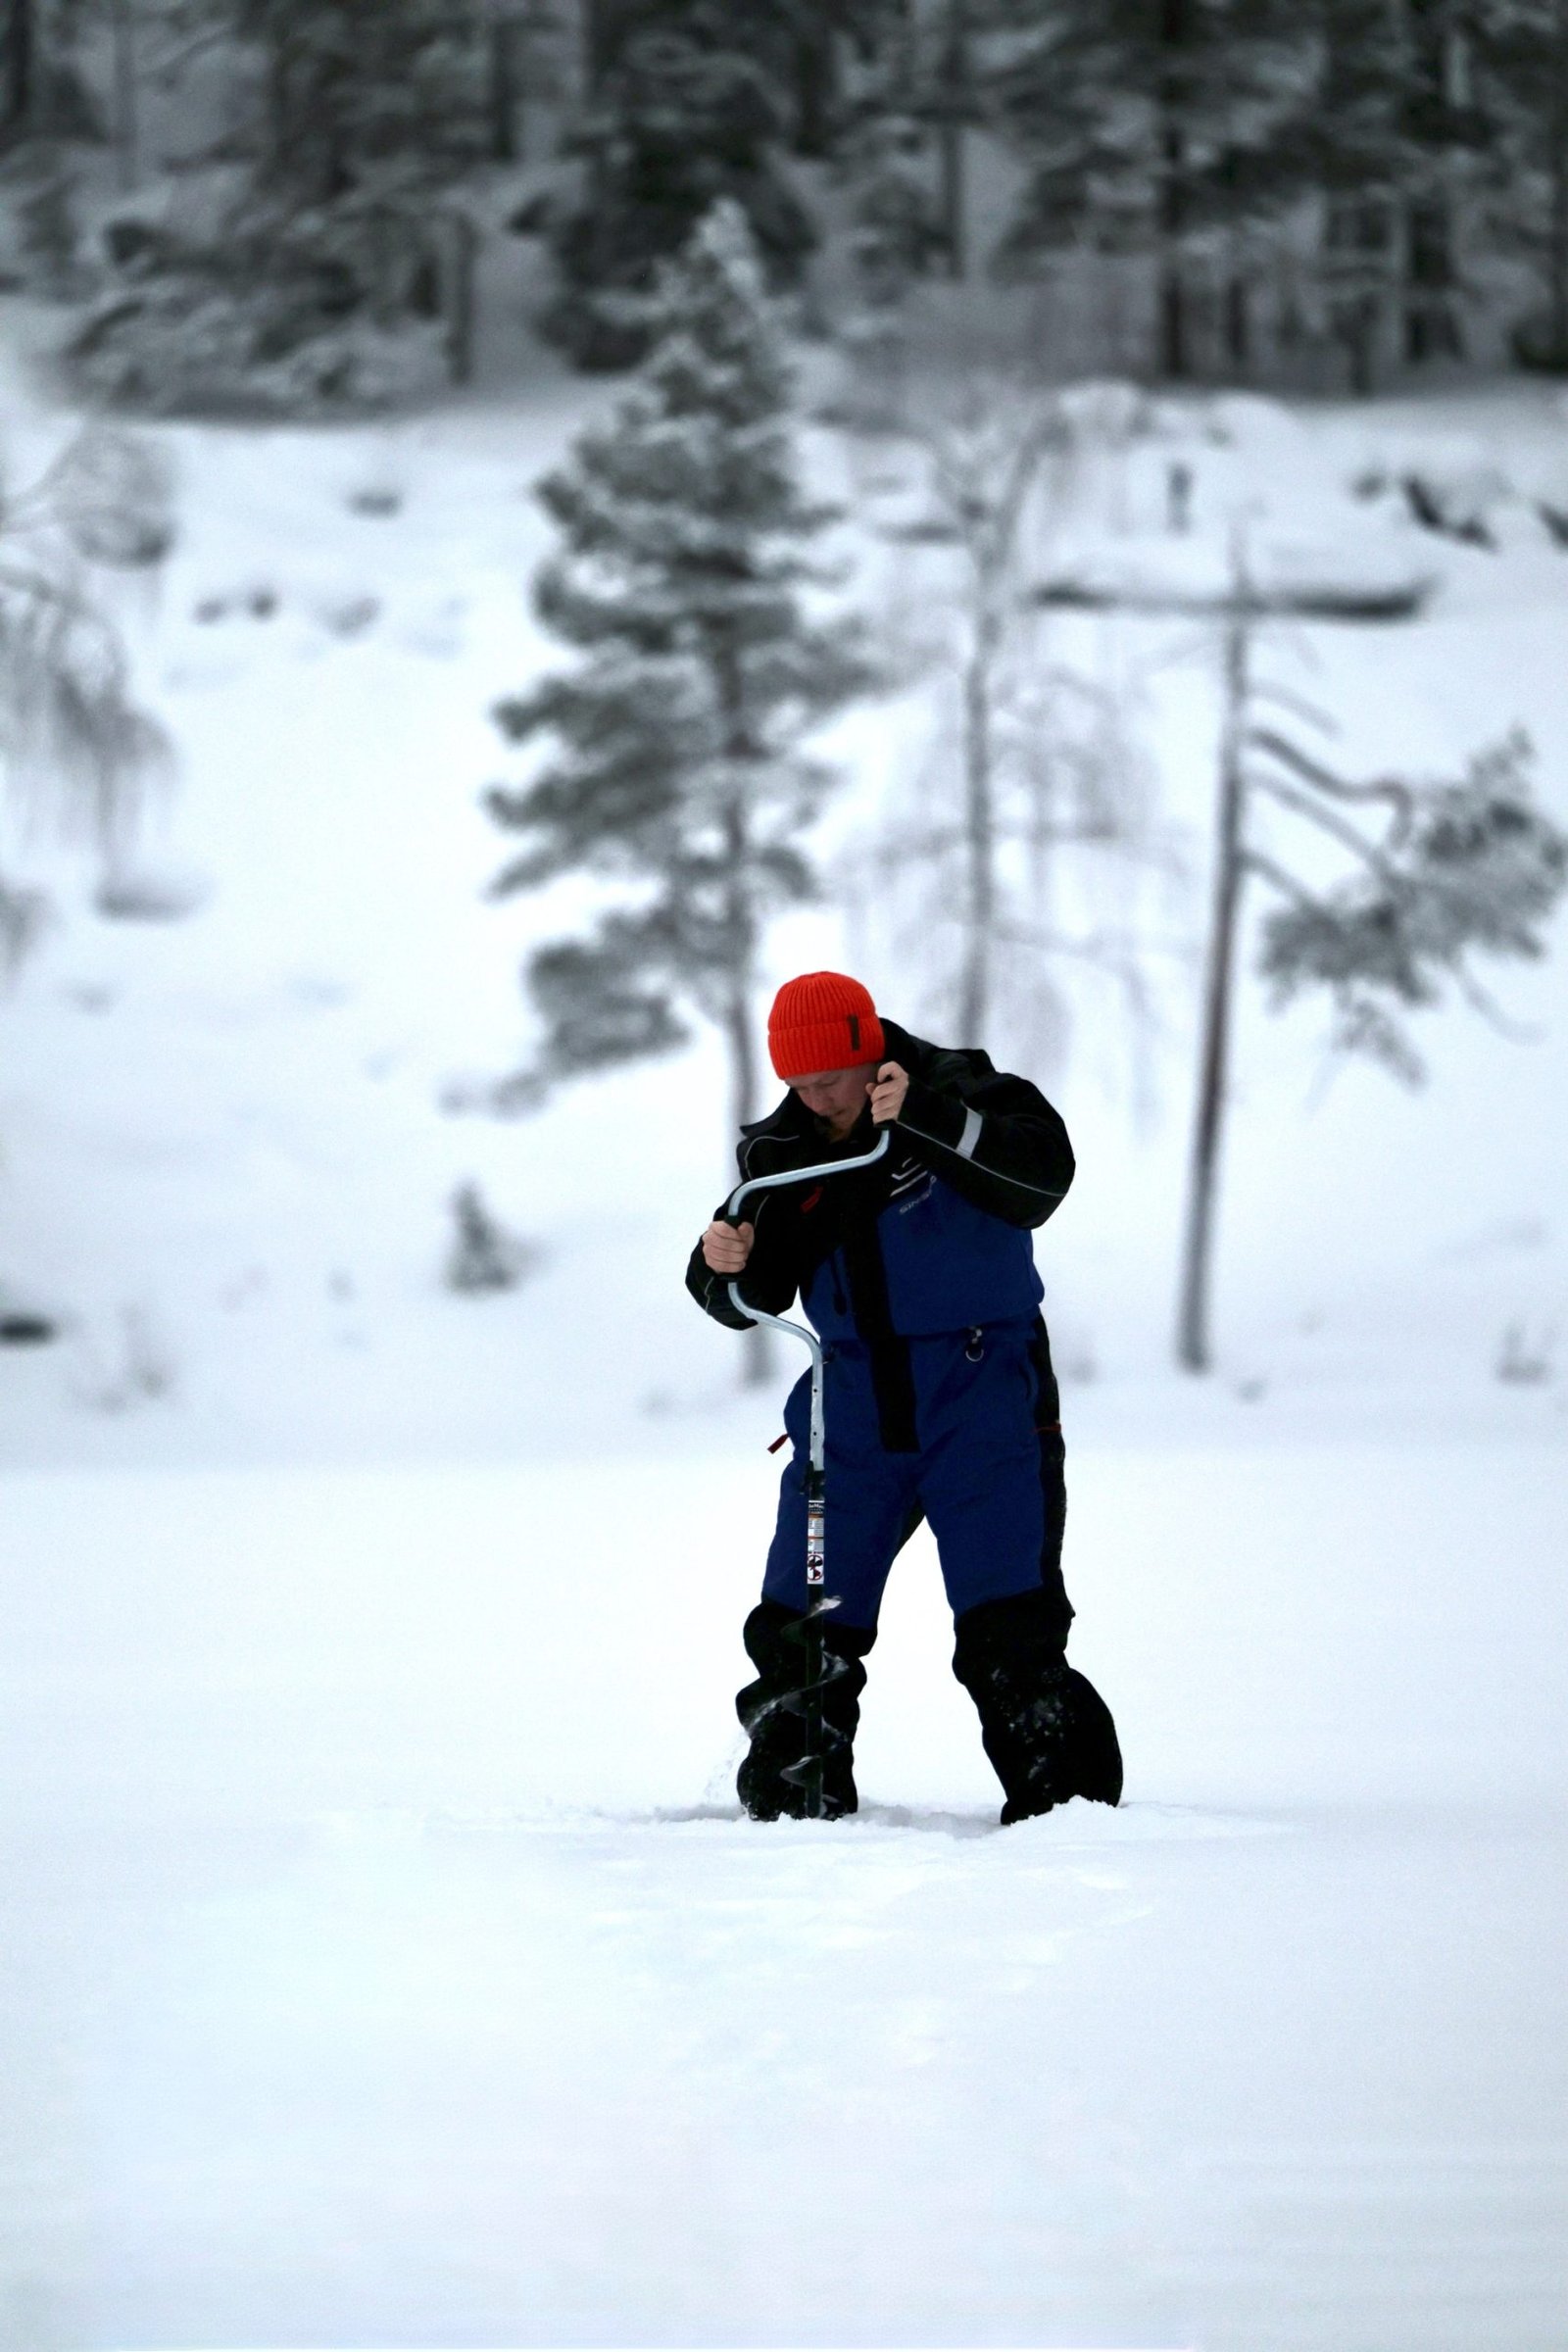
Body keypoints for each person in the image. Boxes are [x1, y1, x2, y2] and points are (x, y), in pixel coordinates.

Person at [687, 969, 1122, 1825]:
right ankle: (793, 1808)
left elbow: (1044, 1182)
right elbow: (747, 1296)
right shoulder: (784, 1151)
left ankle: (1068, 1820)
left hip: (982, 1387)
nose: (815, 1099)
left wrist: (928, 1117)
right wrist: (718, 1266)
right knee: (805, 1620)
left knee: (1009, 1616)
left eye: (829, 1080)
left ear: (869, 1050)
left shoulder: (966, 1091)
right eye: (797, 1084)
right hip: (850, 1403)